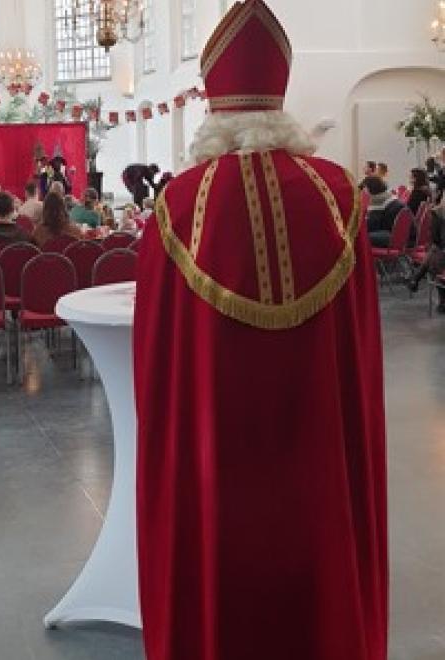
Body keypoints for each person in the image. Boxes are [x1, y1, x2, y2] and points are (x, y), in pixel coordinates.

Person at [134, 3, 387, 660]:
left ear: (214, 106)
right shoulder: (338, 195)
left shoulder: (178, 206)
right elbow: (358, 357)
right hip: (317, 445)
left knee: (222, 556)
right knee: (316, 542)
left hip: (217, 458)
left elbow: (156, 364)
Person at [408, 202, 445, 311]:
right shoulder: (438, 213)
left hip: (440, 254)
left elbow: (437, 239)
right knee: (436, 253)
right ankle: (416, 278)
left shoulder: (439, 213)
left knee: (435, 255)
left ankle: (416, 277)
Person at [365, 176, 405, 247]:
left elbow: (372, 225)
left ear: (369, 188)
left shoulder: (377, 199)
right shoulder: (388, 195)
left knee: (360, 237)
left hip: (392, 237)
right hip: (403, 235)